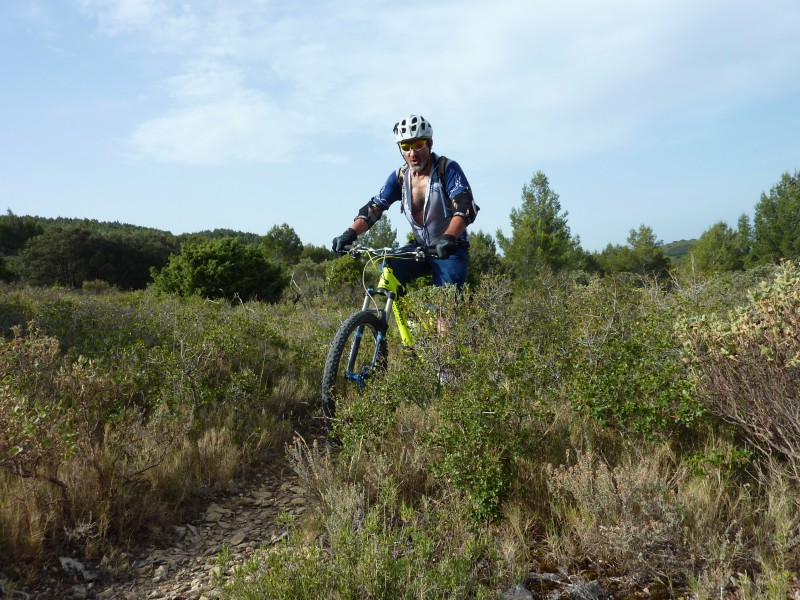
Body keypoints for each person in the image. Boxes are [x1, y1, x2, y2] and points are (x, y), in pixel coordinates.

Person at [332, 114, 479, 290]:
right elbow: (374, 209)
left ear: (430, 144)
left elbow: (465, 207)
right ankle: (401, 316)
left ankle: (440, 317)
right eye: (406, 146)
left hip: (450, 249)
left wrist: (449, 237)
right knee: (388, 268)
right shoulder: (399, 177)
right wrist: (350, 233)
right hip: (420, 248)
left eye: (418, 145)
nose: (412, 153)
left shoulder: (446, 169)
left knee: (443, 310)